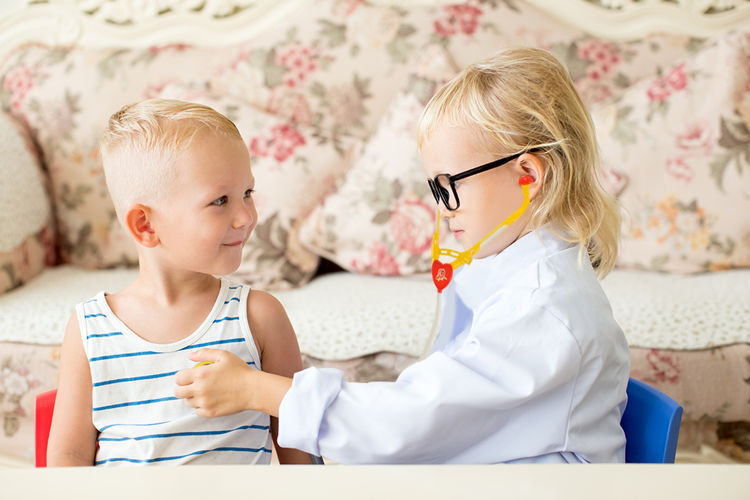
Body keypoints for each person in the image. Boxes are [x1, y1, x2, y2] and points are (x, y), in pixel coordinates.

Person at [174, 47, 631, 464]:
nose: (443, 208)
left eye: (449, 185)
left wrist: (259, 390)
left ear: (527, 174)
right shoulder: (513, 270)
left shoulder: (541, 306)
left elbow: (409, 421)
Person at [47, 99, 312, 466]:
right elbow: (68, 455)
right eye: (220, 200)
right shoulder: (90, 329)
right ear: (146, 225)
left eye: (247, 193)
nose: (246, 217)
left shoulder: (259, 317)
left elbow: (301, 448)